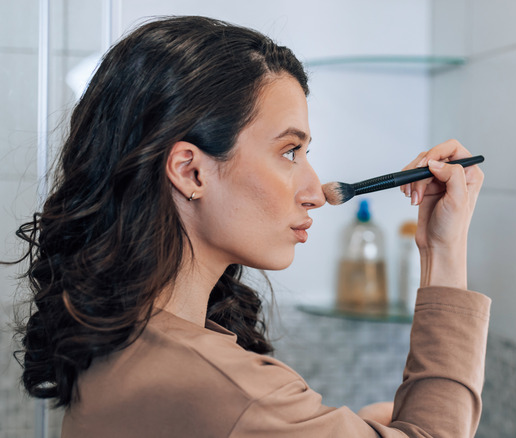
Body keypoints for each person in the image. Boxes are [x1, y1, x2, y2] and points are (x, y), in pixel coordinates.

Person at [10, 16, 488, 437]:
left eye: (306, 152)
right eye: (288, 152)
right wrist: (443, 251)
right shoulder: (230, 390)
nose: (314, 189)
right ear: (190, 171)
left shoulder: (118, 339)